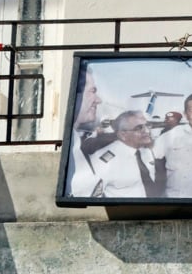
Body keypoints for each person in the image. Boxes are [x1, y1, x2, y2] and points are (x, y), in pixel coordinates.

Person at [90, 110, 162, 198]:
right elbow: (93, 196)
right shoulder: (103, 160)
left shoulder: (146, 151)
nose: (147, 131)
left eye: (147, 125)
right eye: (139, 128)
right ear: (122, 135)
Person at [67, 68, 104, 197]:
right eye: (93, 91)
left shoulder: (75, 140)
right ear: (77, 95)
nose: (98, 100)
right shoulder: (71, 147)